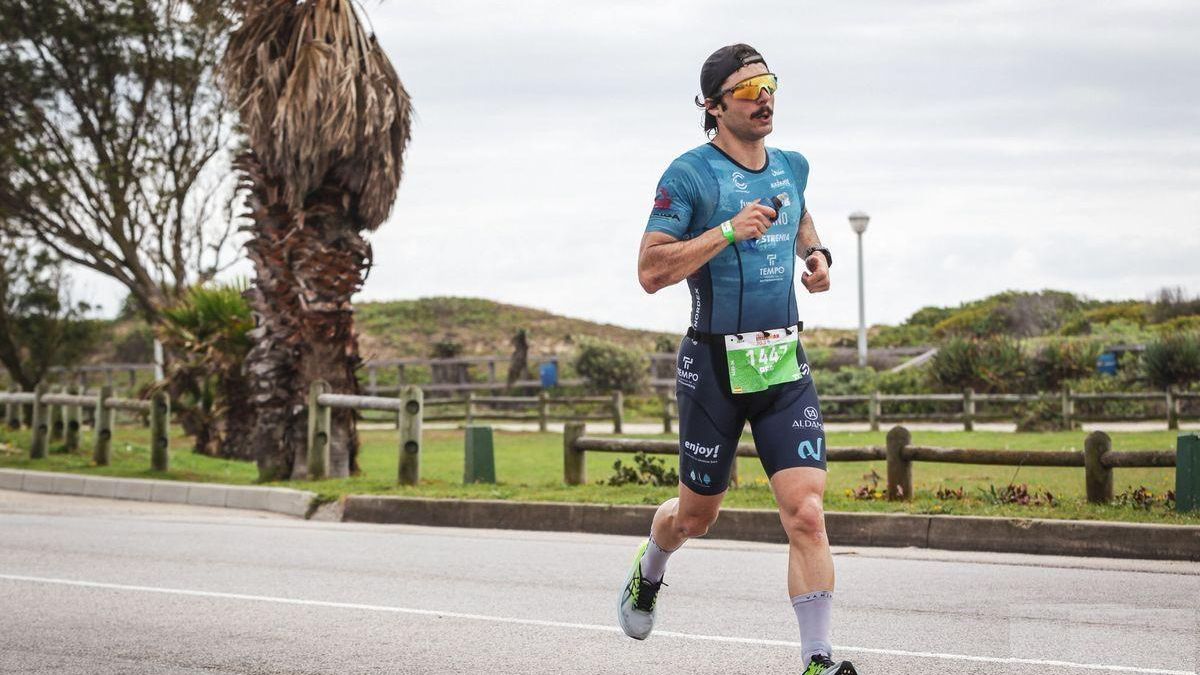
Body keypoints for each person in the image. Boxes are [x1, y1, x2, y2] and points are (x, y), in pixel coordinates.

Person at [618, 44, 856, 675]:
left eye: (770, 84)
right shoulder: (689, 175)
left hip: (781, 359)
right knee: (696, 516)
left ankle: (817, 659)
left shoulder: (793, 165)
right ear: (714, 105)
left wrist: (818, 254)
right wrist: (725, 231)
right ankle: (650, 567)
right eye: (749, 90)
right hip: (714, 365)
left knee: (806, 513)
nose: (764, 98)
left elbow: (798, 212)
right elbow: (649, 270)